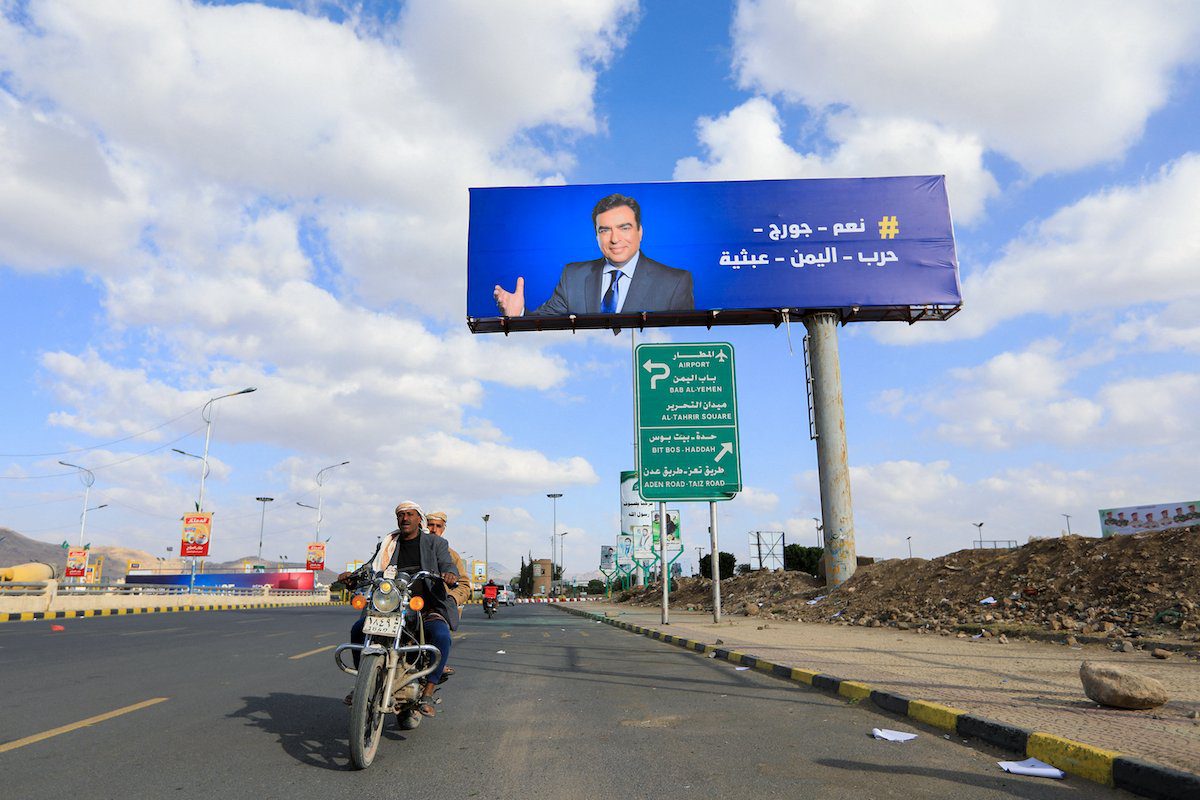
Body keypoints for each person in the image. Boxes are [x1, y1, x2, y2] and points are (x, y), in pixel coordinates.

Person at [340, 501, 458, 719]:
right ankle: (362, 684)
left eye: (410, 514)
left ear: (418, 519)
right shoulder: (388, 544)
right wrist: (351, 577)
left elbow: (447, 564)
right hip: (391, 607)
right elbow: (370, 567)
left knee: (441, 636)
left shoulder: (434, 544)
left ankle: (428, 693)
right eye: (401, 515)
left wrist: (450, 574)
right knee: (358, 629)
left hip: (424, 606)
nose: (405, 518)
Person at [492, 193, 694, 317]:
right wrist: (517, 314)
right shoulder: (573, 276)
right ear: (596, 235)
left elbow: (685, 337)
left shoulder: (675, 281)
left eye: (624, 228)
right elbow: (544, 323)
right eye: (605, 230)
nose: (614, 239)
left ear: (640, 231)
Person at [425, 510, 470, 681]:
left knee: (441, 636)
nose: (433, 529)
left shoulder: (451, 555)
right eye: (430, 525)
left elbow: (464, 585)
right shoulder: (409, 545)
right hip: (409, 605)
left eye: (438, 526)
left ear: (443, 529)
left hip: (435, 607)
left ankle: (430, 685)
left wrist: (450, 599)